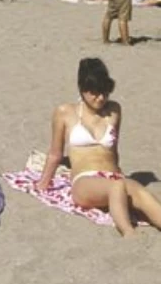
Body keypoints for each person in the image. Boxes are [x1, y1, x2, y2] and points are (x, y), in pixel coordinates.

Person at [36, 58, 161, 236]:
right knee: (116, 187)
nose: (101, 98)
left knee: (141, 193)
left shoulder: (114, 110)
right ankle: (129, 233)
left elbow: (113, 150)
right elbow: (56, 154)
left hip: (113, 174)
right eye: (94, 93)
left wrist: (120, 173)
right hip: (85, 180)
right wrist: (43, 184)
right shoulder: (65, 112)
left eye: (105, 92)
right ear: (82, 89)